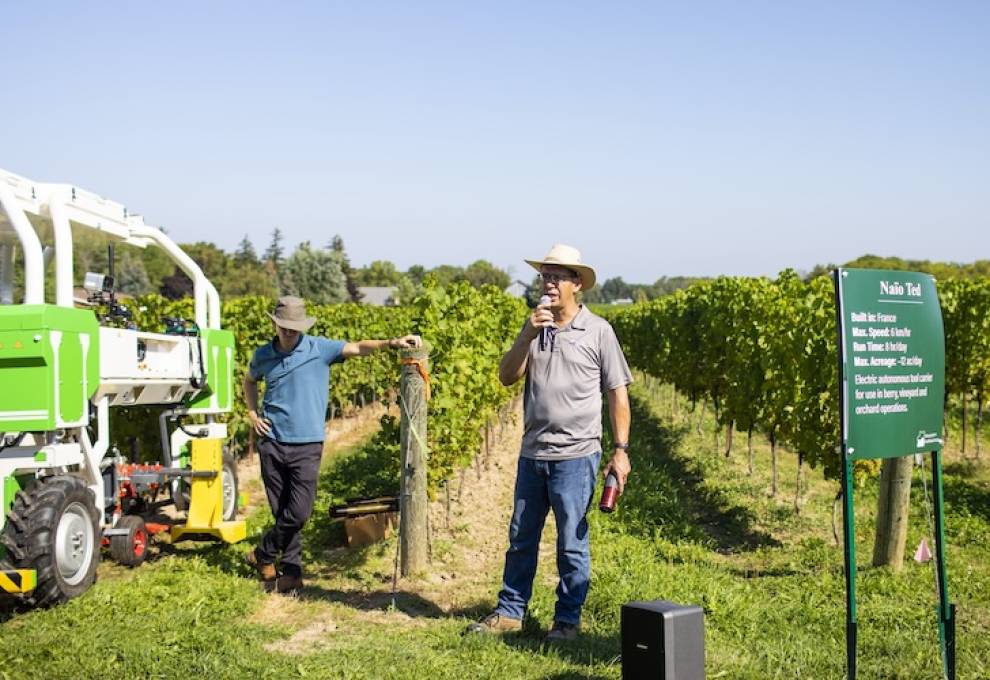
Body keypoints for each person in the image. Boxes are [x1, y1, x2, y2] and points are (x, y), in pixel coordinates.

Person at [467, 244, 632, 641]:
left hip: (576, 456)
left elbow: (617, 394)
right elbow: (507, 376)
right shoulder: (534, 329)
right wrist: (527, 333)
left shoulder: (599, 331)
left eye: (557, 276)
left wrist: (620, 452)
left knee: (571, 541)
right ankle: (510, 612)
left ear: (578, 284)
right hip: (532, 453)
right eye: (545, 276)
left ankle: (567, 620)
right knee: (521, 537)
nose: (549, 283)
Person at [243, 295, 421, 594]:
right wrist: (251, 414)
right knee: (282, 510)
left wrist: (391, 342)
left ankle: (262, 553)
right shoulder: (263, 355)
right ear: (274, 324)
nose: (289, 332)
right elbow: (249, 380)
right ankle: (292, 573)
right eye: (284, 326)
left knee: (299, 511)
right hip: (272, 442)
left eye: (294, 327)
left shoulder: (319, 348)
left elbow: (357, 347)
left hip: (307, 443)